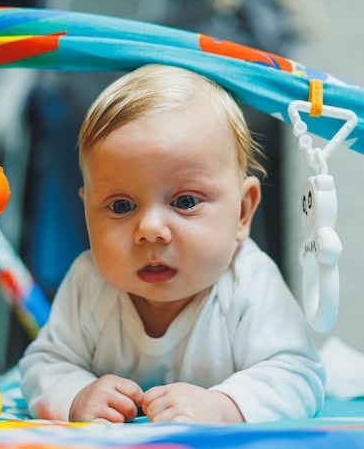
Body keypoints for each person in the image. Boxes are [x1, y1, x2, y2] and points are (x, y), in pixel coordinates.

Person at [19, 64, 325, 424]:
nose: (150, 230)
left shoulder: (248, 281)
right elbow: (44, 364)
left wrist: (225, 406)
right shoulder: (89, 283)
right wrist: (75, 395)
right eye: (121, 206)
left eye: (185, 202)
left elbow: (298, 374)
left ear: (242, 213)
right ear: (87, 210)